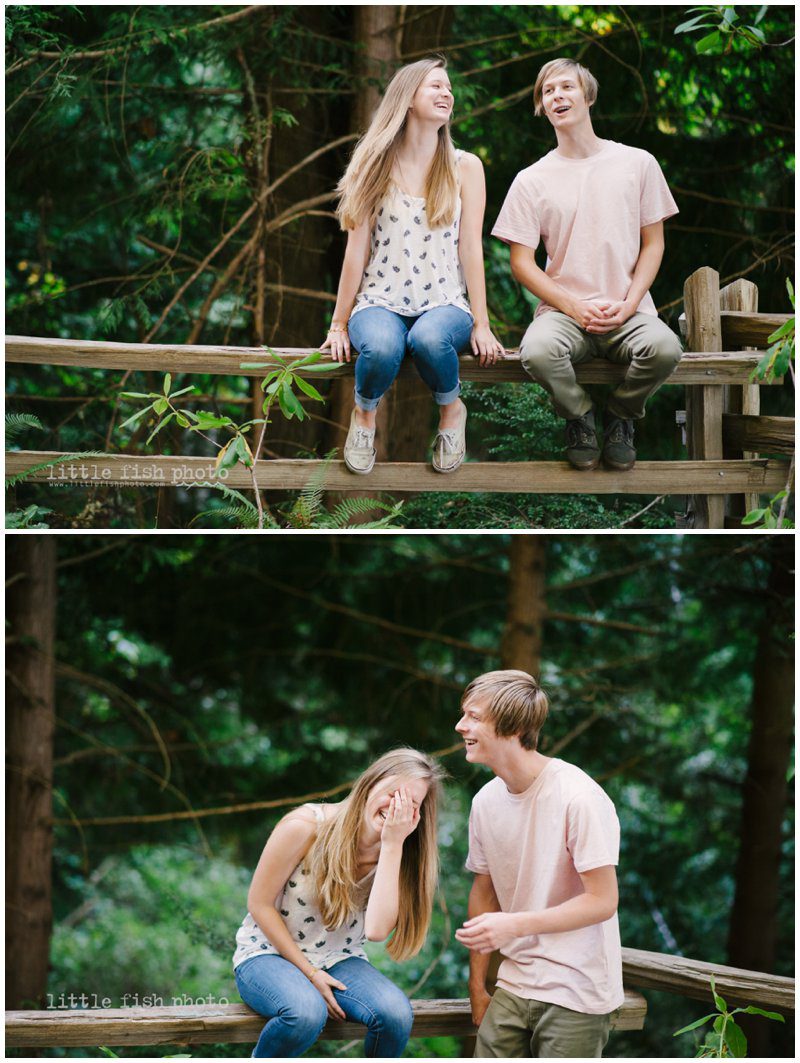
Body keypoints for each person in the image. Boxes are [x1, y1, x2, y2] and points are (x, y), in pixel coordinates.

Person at [492, 58, 682, 471]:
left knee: (666, 348)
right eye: (547, 91)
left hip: (627, 309)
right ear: (542, 107)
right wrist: (573, 306)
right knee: (537, 352)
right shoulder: (531, 179)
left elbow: (653, 245)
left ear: (588, 96)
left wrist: (630, 304)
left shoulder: (638, 163)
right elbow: (522, 264)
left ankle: (622, 415)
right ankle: (579, 417)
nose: (557, 96)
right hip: (564, 312)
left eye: (566, 87)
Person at [322, 57, 504, 475]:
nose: (447, 93)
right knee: (382, 346)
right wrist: (338, 323)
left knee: (428, 340)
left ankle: (451, 411)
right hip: (379, 301)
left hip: (444, 302)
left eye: (448, 87)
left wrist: (481, 323)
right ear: (406, 100)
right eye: (434, 87)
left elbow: (471, 248)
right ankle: (365, 416)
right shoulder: (374, 163)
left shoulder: (465, 166)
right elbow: (356, 250)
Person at [454, 670, 623, 1058]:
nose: (461, 725)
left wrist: (513, 925)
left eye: (474, 717)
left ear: (512, 726)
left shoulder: (578, 797)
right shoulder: (485, 802)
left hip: (577, 990)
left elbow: (602, 901)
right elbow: (485, 892)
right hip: (514, 983)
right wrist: (477, 985)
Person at [233, 748, 445, 1058]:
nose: (396, 808)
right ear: (369, 785)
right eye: (391, 794)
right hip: (267, 953)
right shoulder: (306, 826)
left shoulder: (402, 854)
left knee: (395, 1015)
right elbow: (259, 903)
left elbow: (375, 931)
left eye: (410, 804)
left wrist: (392, 844)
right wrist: (310, 973)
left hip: (339, 957)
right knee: (305, 1014)